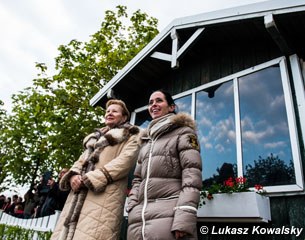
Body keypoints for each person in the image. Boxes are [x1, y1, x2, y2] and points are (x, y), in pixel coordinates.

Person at [51, 99, 141, 240]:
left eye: (114, 111)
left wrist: (90, 178)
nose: (109, 113)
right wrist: (73, 175)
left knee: (93, 234)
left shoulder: (131, 135)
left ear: (124, 117)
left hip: (105, 196)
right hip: (76, 196)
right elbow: (81, 160)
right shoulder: (95, 138)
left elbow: (124, 162)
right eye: (108, 111)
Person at [127, 90, 202, 240]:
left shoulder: (184, 133)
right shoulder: (146, 142)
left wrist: (184, 217)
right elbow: (137, 179)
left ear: (171, 107)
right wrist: (133, 205)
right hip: (138, 222)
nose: (154, 105)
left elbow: (191, 178)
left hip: (170, 219)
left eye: (159, 101)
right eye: (150, 102)